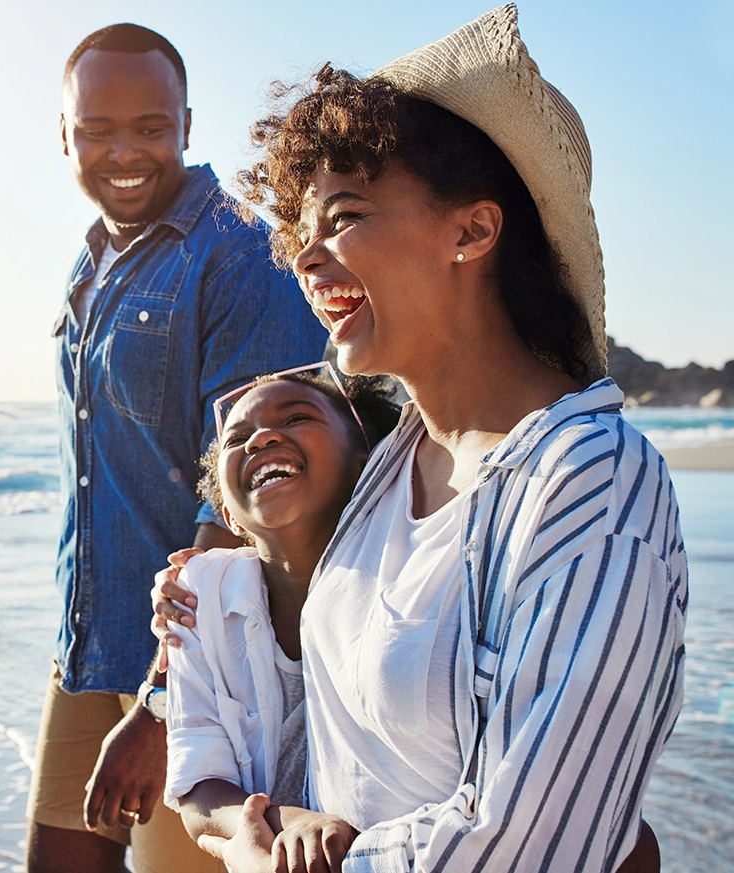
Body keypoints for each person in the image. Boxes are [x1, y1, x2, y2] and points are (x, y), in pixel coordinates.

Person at [150, 6, 683, 871]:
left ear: (471, 230)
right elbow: (333, 705)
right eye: (302, 232)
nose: (305, 258)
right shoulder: (387, 467)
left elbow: (531, 843)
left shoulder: (590, 481)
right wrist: (202, 600)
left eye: (345, 216)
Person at [27, 22, 329, 873]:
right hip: (89, 652)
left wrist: (162, 703)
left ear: (188, 125)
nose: (124, 152)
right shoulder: (91, 263)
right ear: (65, 135)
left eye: (150, 128)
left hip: (195, 672)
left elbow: (250, 498)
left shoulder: (237, 256)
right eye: (96, 130)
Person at [163, 366, 400, 872]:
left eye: (296, 417)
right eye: (237, 438)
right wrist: (280, 824)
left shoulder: (407, 587)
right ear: (226, 512)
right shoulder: (196, 596)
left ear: (366, 465)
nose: (263, 437)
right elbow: (197, 782)